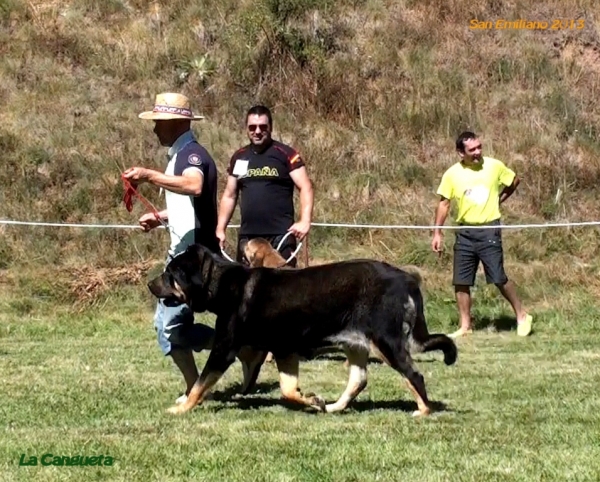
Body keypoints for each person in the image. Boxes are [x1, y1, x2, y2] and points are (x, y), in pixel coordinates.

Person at [123, 92, 220, 404]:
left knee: (169, 327)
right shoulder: (181, 154)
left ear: (177, 123)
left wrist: (150, 176)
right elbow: (194, 203)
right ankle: (235, 347)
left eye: (159, 123)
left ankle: (196, 388)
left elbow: (194, 186)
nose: (154, 130)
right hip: (185, 254)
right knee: (168, 325)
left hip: (191, 259)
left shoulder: (191, 155)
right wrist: (162, 217)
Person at [431, 131, 533, 338]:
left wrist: (500, 198)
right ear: (461, 153)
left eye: (479, 147)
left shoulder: (494, 165)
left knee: (498, 277)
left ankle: (522, 316)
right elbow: (444, 203)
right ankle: (465, 326)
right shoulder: (452, 174)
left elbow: (514, 180)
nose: (478, 152)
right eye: (472, 150)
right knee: (461, 280)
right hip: (465, 231)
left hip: (489, 229)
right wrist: (437, 232)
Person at [216, 105, 314, 268]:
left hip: (280, 236)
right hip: (249, 239)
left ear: (271, 127)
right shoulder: (239, 157)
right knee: (247, 290)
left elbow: (306, 187)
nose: (258, 131)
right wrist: (220, 229)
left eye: (263, 127)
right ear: (246, 129)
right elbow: (229, 195)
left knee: (285, 288)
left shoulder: (285, 154)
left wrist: (305, 220)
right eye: (252, 127)